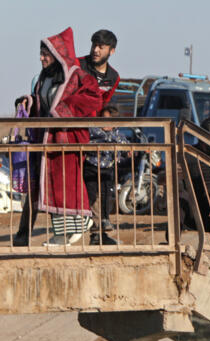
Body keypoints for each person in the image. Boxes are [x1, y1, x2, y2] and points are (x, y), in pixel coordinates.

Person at [14, 28, 102, 247]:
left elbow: (93, 98)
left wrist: (62, 110)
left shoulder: (78, 76)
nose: (42, 58)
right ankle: (60, 234)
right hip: (46, 142)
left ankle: (80, 223)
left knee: (66, 185)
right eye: (41, 53)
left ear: (57, 54)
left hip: (66, 141)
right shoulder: (44, 77)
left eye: (46, 54)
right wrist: (28, 102)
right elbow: (40, 101)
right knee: (50, 187)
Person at [83, 105, 127, 242]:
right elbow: (87, 143)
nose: (105, 123)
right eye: (103, 119)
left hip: (107, 169)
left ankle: (103, 224)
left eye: (109, 120)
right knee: (92, 196)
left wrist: (129, 151)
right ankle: (91, 225)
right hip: (91, 167)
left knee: (106, 195)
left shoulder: (118, 134)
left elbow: (125, 146)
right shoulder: (94, 131)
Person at [79, 29, 119, 113]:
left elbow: (104, 104)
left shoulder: (114, 77)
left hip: (93, 123)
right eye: (94, 45)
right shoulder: (77, 65)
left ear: (111, 51)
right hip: (71, 121)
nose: (95, 50)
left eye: (101, 47)